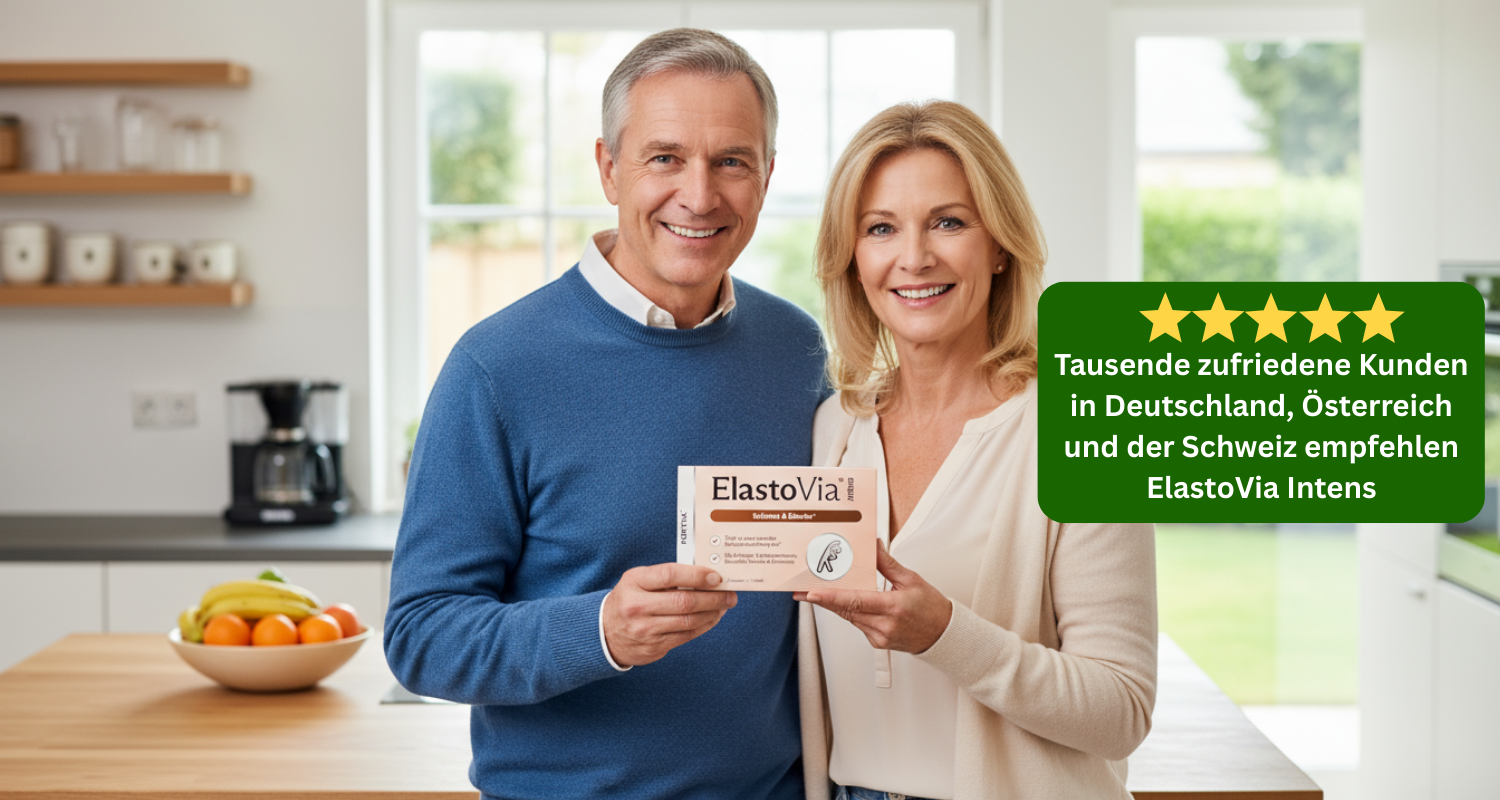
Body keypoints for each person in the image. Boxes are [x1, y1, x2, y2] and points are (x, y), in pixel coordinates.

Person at [384, 29, 825, 800]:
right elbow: (421, 636)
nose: (699, 194)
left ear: (766, 176)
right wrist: (600, 633)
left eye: (732, 161)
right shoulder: (497, 366)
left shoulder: (796, 348)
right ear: (608, 167)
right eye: (665, 157)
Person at [794, 101, 1158, 800]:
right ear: (853, 258)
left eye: (949, 222)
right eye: (880, 229)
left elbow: (1121, 712)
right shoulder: (833, 430)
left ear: (998, 244)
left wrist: (946, 635)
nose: (914, 257)